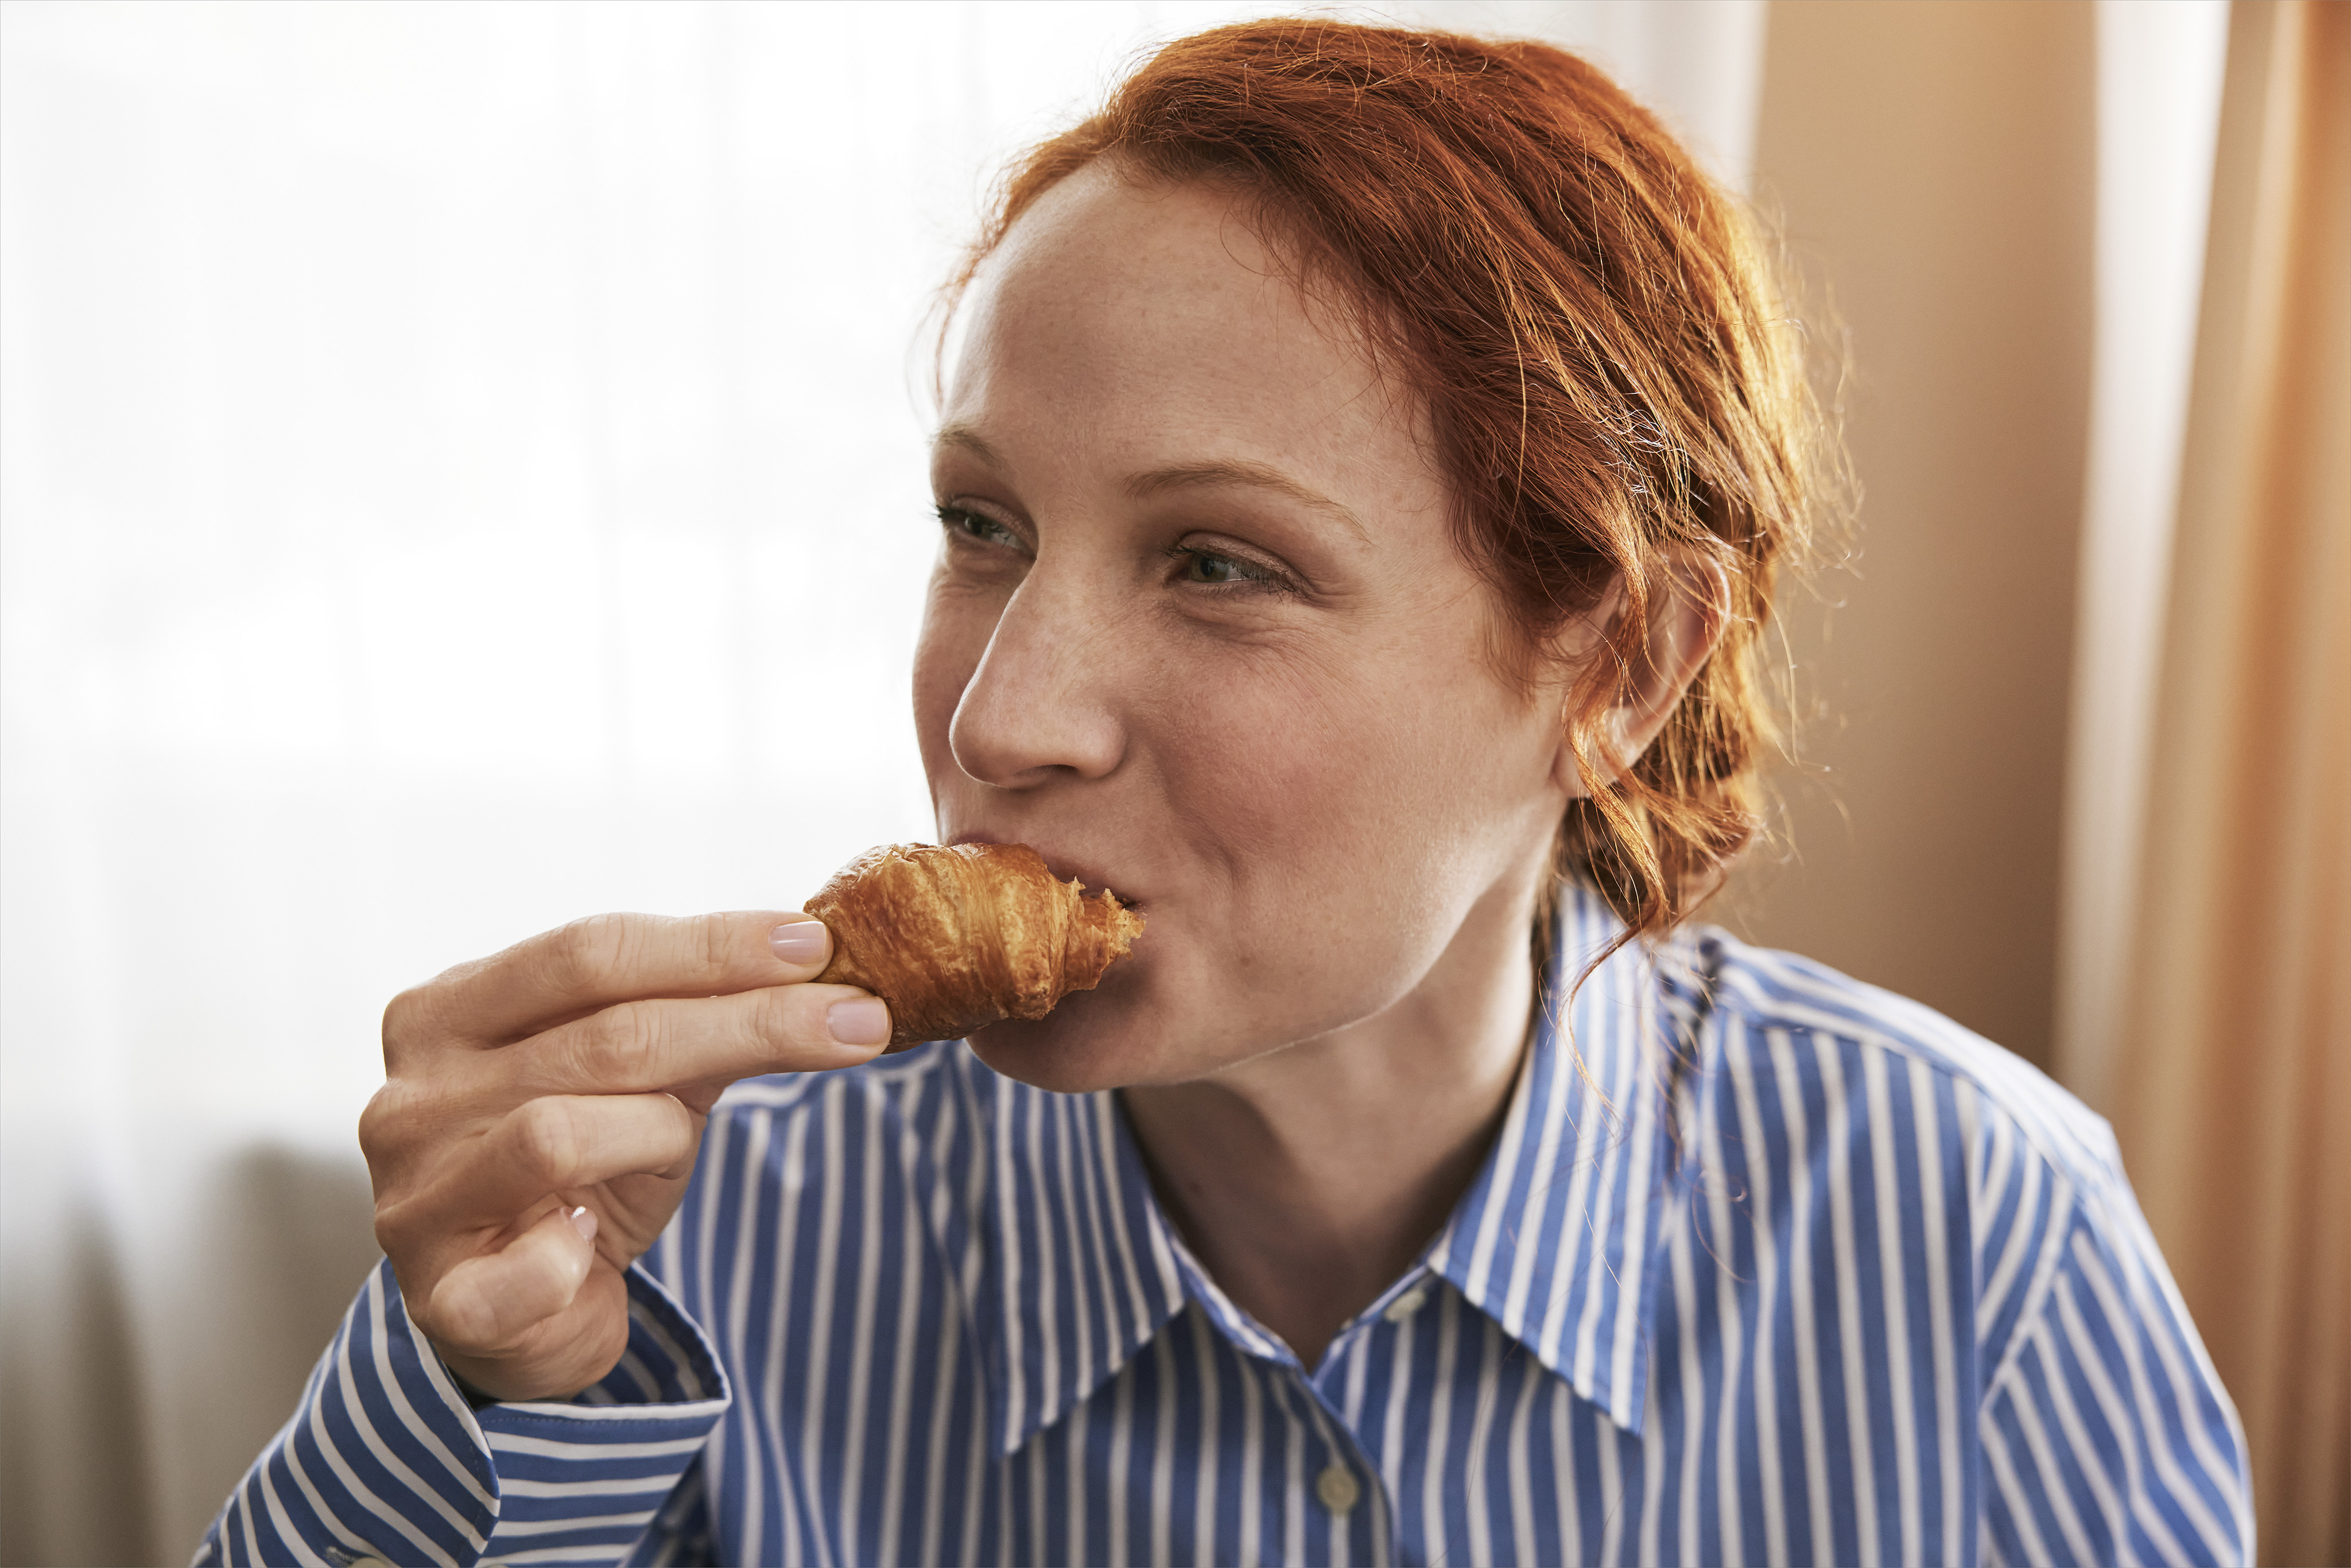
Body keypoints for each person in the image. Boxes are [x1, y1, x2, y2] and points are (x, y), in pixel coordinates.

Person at [199, 18, 2252, 1568]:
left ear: (1624, 663)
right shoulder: (694, 1252)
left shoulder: (1973, 1236)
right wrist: (467, 1398)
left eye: (1218, 562)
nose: (1005, 717)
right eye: (980, 524)